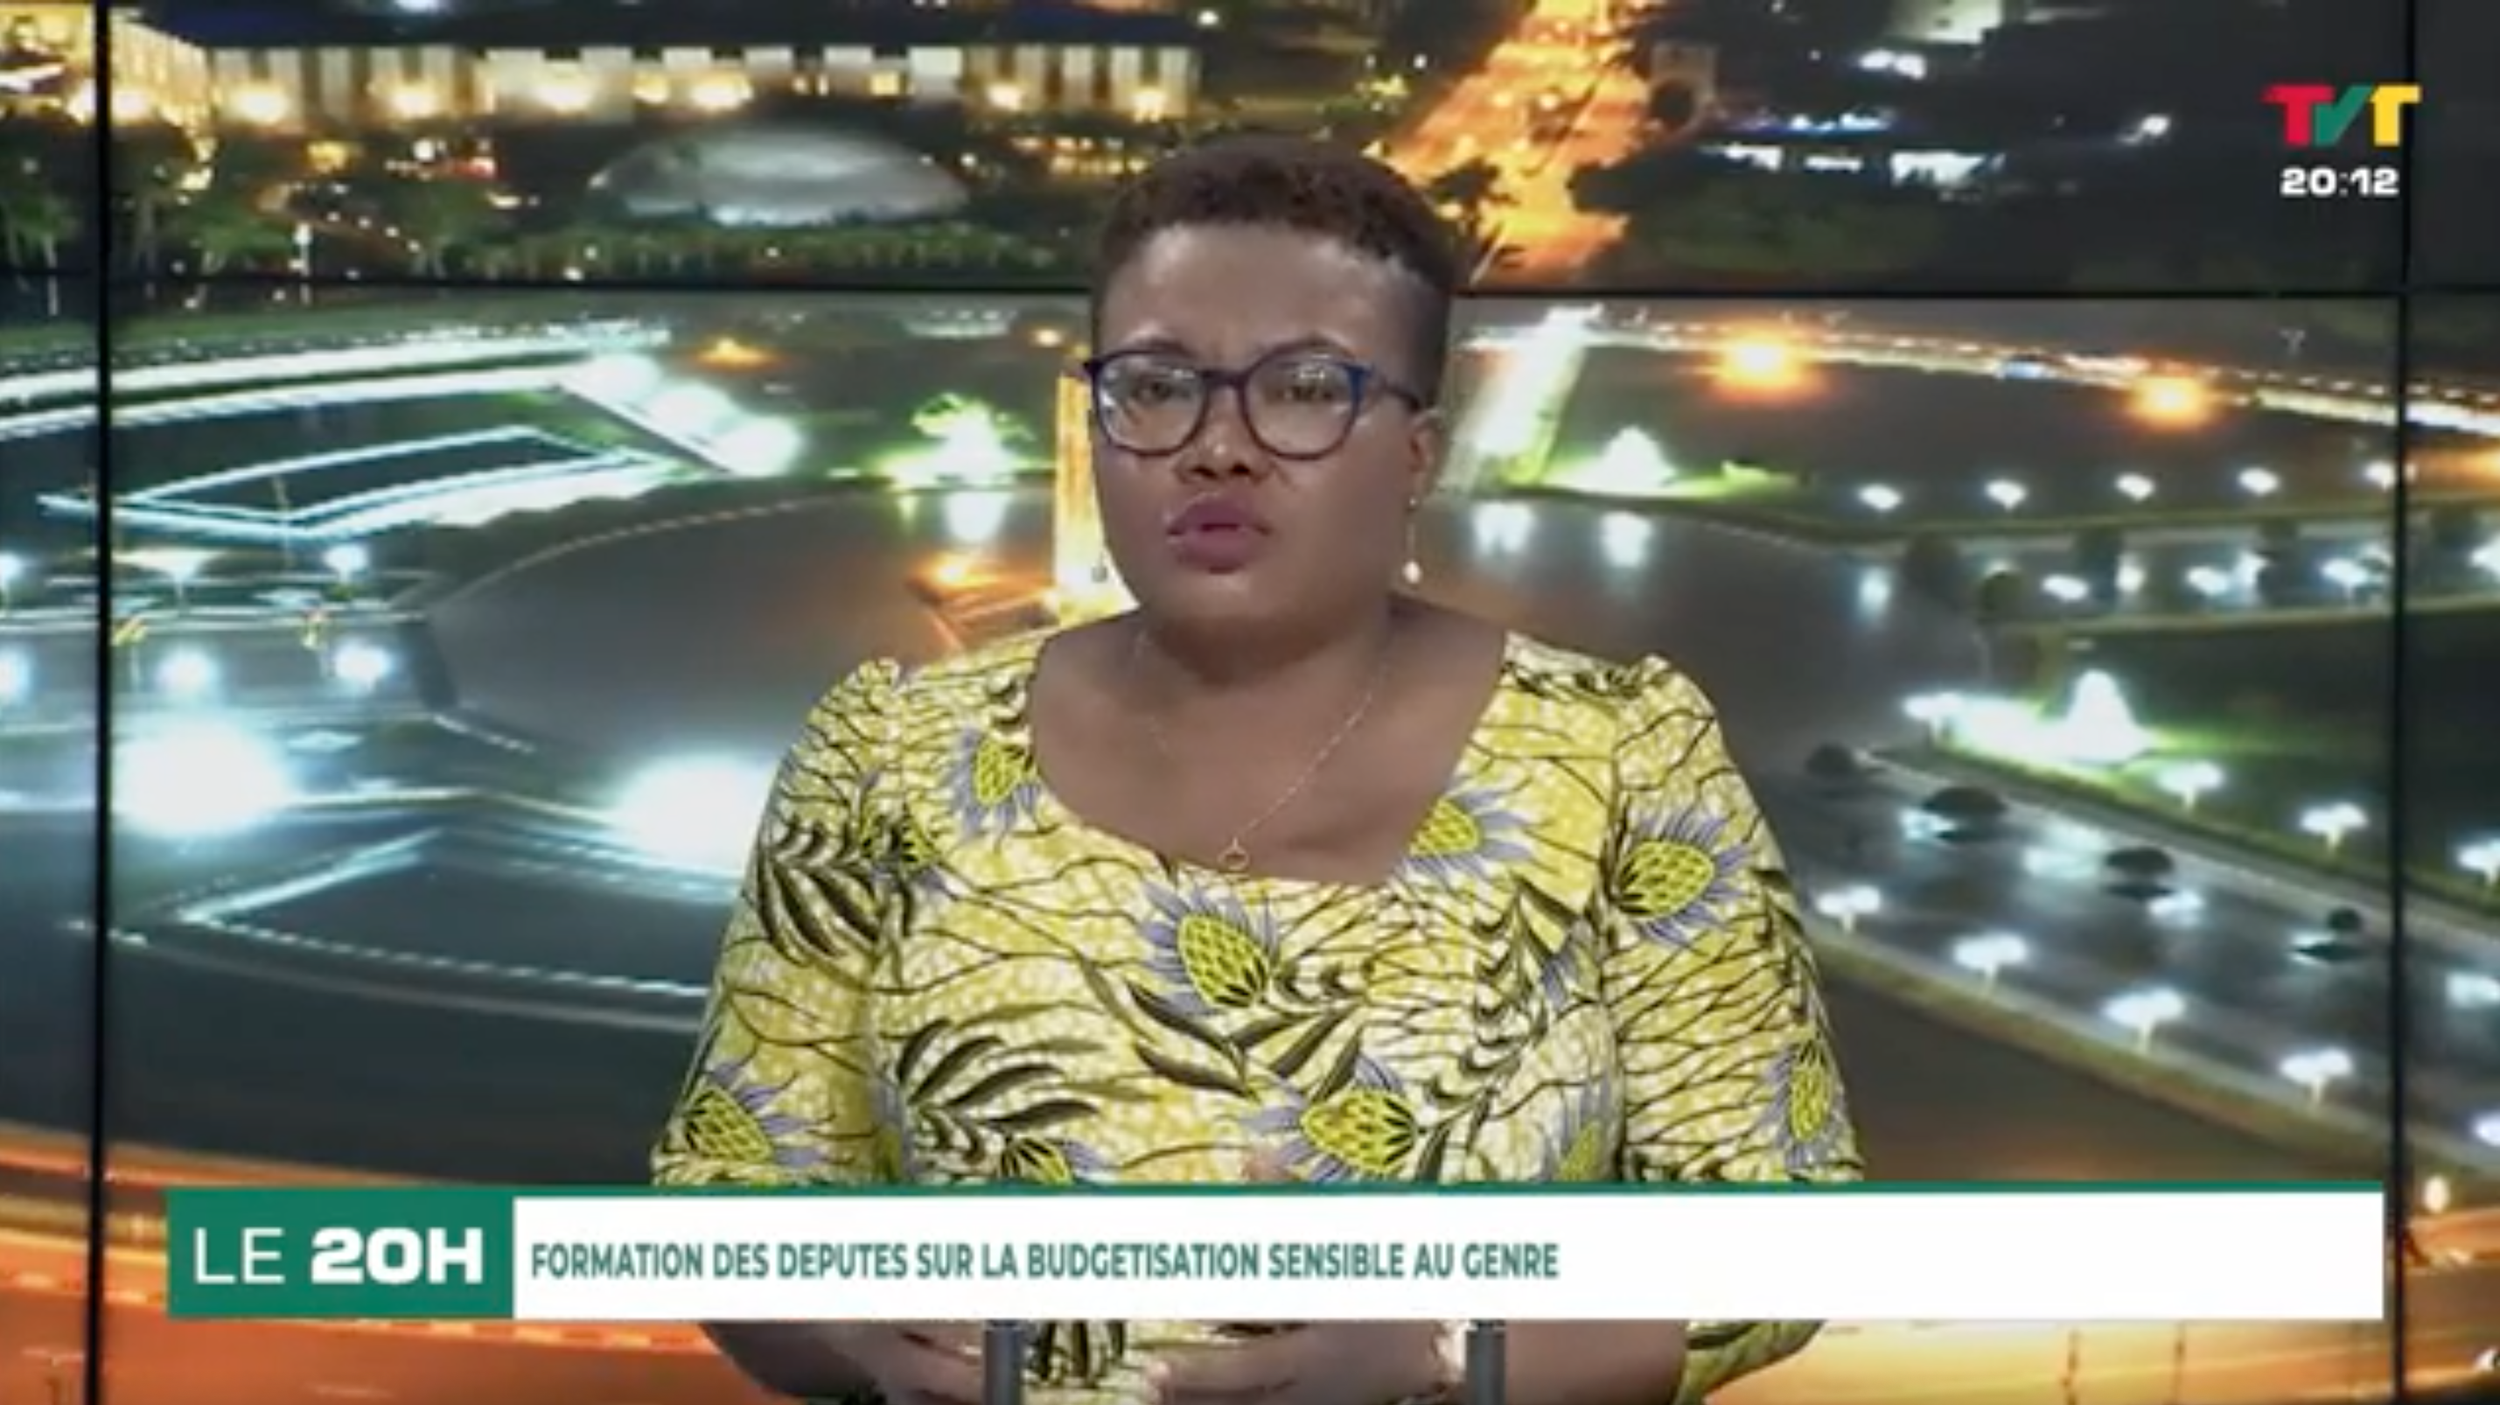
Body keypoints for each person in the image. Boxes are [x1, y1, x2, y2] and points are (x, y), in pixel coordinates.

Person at [652, 133, 1863, 1405]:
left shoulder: (1621, 758)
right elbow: (732, 1194)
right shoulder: (888, 755)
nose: (1216, 448)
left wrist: (1454, 1350)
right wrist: (852, 1326)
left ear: (1417, 453)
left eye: (1303, 388)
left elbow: (1776, 1234)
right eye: (1155, 385)